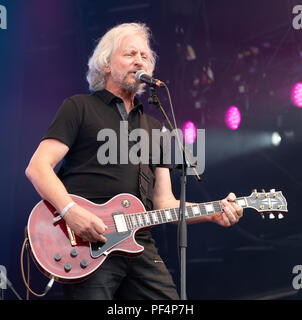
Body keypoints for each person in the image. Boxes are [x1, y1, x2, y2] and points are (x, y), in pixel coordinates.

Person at [25, 22, 243, 300]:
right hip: (87, 244)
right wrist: (71, 212)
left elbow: (164, 202)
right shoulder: (79, 107)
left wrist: (212, 212)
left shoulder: (155, 127)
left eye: (145, 56)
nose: (139, 60)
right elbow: (38, 168)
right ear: (106, 64)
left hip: (139, 244)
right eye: (130, 54)